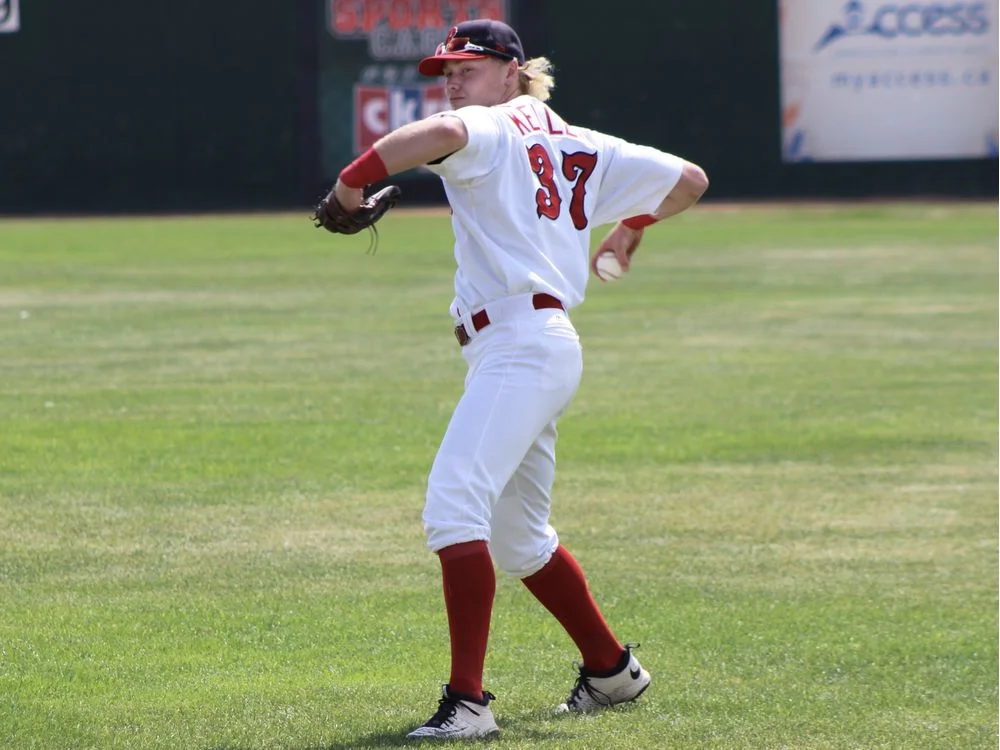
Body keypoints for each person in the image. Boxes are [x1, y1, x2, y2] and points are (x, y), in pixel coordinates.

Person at [331, 18, 708, 740]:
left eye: (467, 66)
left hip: (520, 346)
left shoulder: (494, 125)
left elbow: (425, 137)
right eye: (446, 68)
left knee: (453, 509)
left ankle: (468, 703)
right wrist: (630, 227)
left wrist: (349, 190)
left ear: (513, 71)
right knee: (519, 538)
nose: (452, 78)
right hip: (534, 345)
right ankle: (611, 670)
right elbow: (689, 180)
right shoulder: (581, 143)